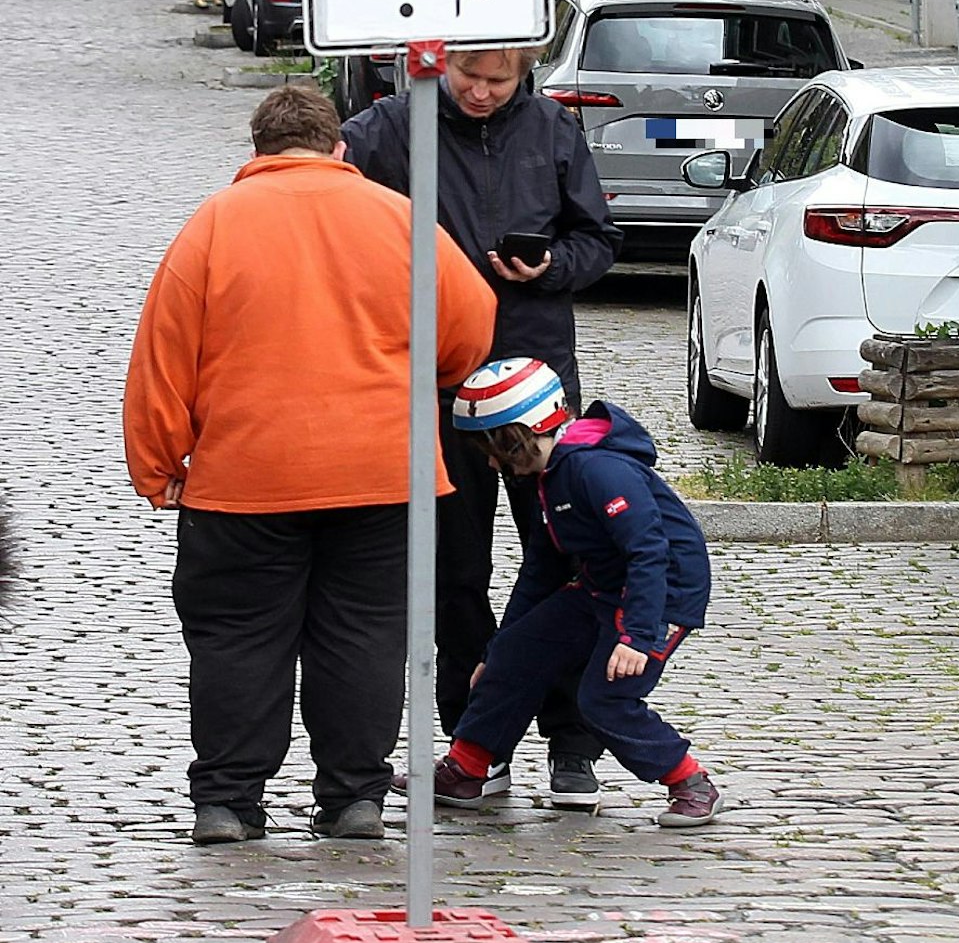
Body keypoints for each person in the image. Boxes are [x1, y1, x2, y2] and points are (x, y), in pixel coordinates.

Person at [123, 86, 497, 845]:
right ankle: (354, 795)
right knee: (366, 634)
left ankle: (227, 801)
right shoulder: (398, 220)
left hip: (246, 477)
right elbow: (470, 324)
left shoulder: (213, 227)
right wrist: (425, 372)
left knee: (237, 638)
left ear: (256, 152)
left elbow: (164, 356)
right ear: (339, 149)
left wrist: (159, 464)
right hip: (383, 473)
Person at [344, 47, 622, 809]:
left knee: (569, 566)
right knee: (453, 573)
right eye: (470, 75)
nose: (481, 92)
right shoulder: (389, 131)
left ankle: (573, 744)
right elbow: (330, 207)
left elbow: (598, 239)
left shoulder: (553, 130)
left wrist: (553, 266)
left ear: (524, 73)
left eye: (499, 81)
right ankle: (475, 748)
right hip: (438, 382)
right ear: (440, 64)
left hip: (537, 388)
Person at [403, 358, 720, 827]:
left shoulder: (599, 471)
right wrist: (497, 650)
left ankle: (689, 781)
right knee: (515, 652)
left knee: (604, 698)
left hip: (658, 599)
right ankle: (466, 769)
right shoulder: (550, 478)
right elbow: (540, 568)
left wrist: (636, 636)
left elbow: (649, 552)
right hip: (602, 588)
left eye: (498, 447)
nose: (493, 463)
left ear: (527, 430)